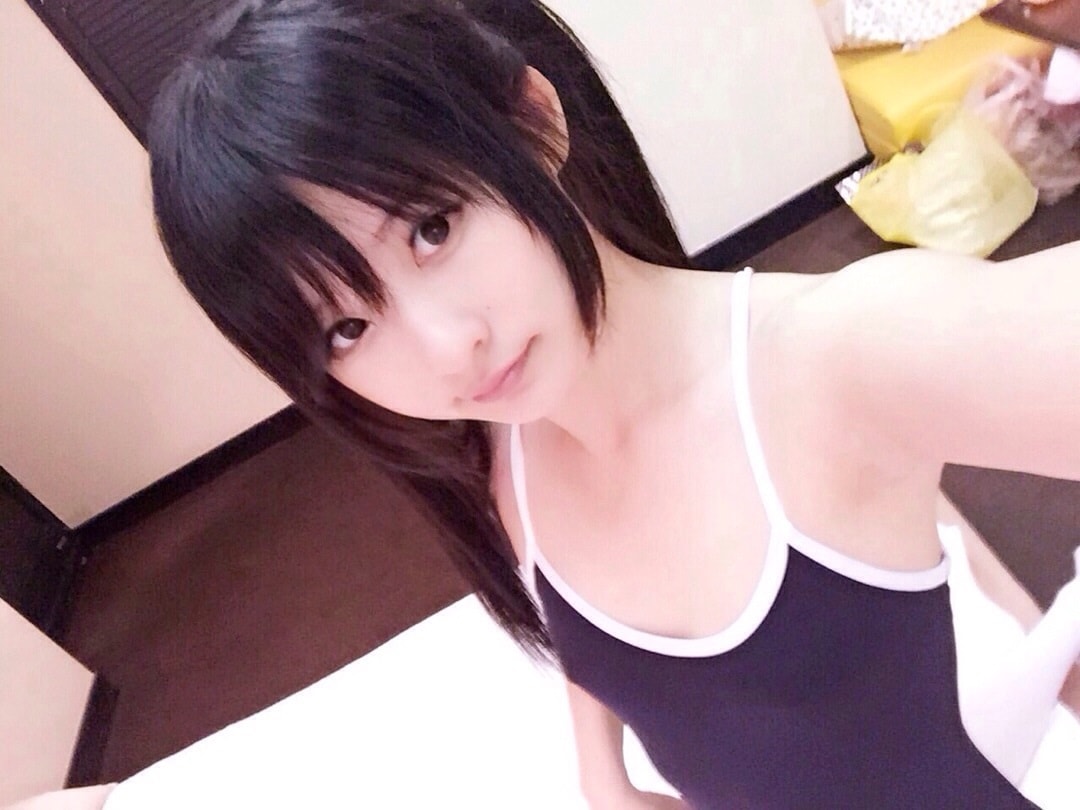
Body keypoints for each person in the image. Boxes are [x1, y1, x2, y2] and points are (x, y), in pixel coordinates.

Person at [139, 0, 1080, 807]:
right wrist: (604, 773)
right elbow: (594, 632)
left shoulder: (834, 358)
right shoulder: (502, 446)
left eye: (431, 228)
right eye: (346, 328)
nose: (444, 349)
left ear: (534, 121)